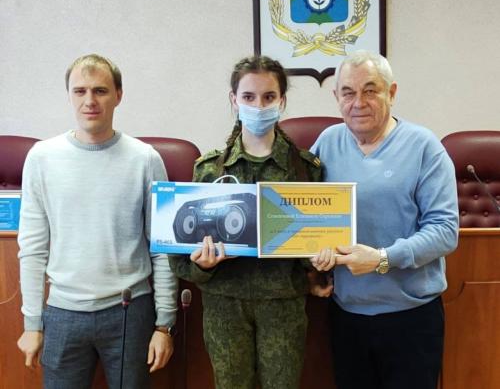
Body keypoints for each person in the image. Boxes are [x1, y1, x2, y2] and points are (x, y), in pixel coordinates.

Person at [169, 55, 334, 389]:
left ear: (282, 101)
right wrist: (202, 265)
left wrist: (320, 263)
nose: (259, 106)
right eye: (248, 96)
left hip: (283, 305)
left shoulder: (306, 170)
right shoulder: (209, 171)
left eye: (269, 97)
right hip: (225, 305)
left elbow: (317, 245)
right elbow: (180, 257)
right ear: (234, 100)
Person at [17, 54, 178, 389]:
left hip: (130, 311)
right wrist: (32, 323)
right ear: (69, 96)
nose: (89, 100)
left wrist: (164, 324)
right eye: (80, 91)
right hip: (62, 312)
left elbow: (162, 248)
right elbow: (32, 247)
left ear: (118, 95)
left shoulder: (145, 159)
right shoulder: (42, 158)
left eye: (100, 91)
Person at [310, 50, 459, 389]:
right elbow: (305, 216)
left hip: (411, 318)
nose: (358, 103)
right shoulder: (327, 144)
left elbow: (445, 230)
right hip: (346, 316)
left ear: (391, 92)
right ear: (336, 98)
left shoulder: (424, 147)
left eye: (370, 90)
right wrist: (311, 270)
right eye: (348, 92)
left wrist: (382, 258)